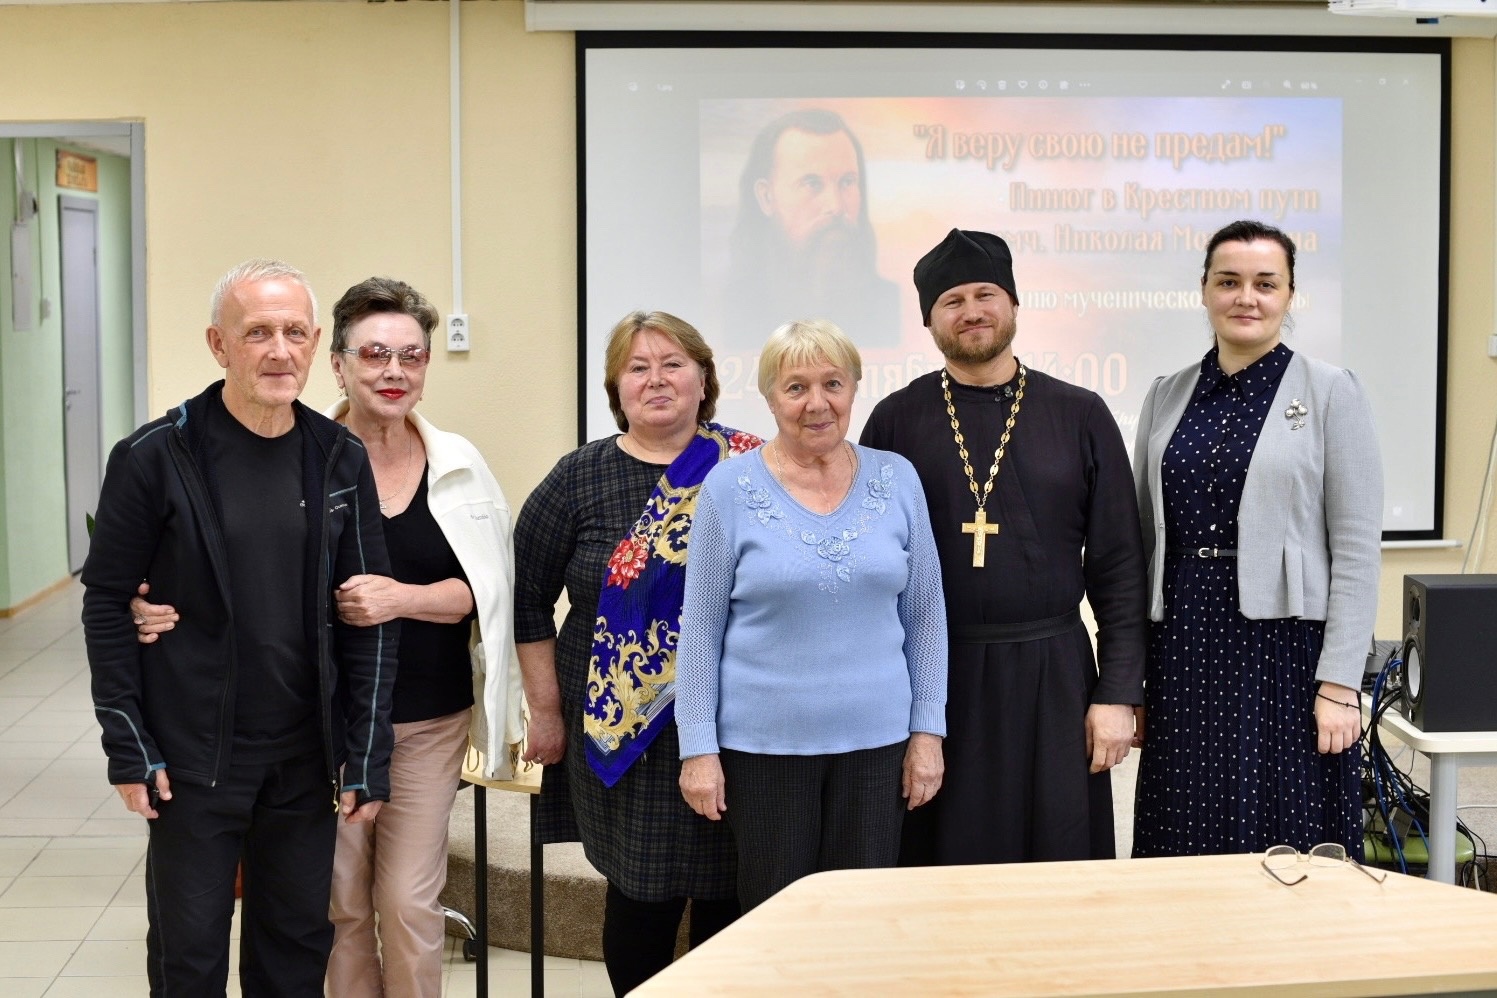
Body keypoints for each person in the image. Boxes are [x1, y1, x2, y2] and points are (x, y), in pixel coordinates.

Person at [129, 276, 524, 997]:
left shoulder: (459, 466)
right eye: (374, 354)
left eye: (411, 356)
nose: (394, 371)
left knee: (407, 902)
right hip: (323, 725)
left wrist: (401, 598)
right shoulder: (312, 452)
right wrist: (145, 602)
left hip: (426, 719)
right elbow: (235, 565)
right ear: (336, 363)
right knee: (333, 905)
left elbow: (494, 592)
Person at [81, 259, 396, 996]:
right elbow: (107, 603)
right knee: (188, 958)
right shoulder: (154, 456)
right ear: (218, 344)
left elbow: (369, 616)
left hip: (304, 759)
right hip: (192, 760)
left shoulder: (339, 457)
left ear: (316, 344)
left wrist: (366, 751)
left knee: (294, 954)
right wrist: (128, 746)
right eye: (258, 333)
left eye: (295, 333)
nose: (279, 351)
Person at [859, 228, 1148, 865]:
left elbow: (1120, 567)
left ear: (1013, 303)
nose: (972, 311)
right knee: (942, 861)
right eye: (952, 301)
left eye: (985, 294)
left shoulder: (1079, 414)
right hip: (937, 678)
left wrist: (1116, 692)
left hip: (1055, 675)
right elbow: (871, 567)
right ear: (929, 320)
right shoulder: (895, 420)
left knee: (1058, 861)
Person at [513, 311, 761, 997]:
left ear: (704, 379)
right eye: (638, 367)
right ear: (616, 388)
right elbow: (527, 597)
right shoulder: (579, 477)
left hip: (737, 717)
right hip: (623, 726)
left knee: (730, 888)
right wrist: (545, 713)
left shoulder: (754, 468)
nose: (656, 380)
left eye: (673, 364)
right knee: (641, 891)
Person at [676, 319, 947, 912]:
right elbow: (699, 630)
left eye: (833, 383)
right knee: (776, 919)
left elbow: (926, 616)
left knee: (863, 915)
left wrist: (928, 733)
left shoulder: (897, 477)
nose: (817, 403)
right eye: (796, 387)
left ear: (854, 389)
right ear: (770, 398)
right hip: (763, 751)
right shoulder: (728, 488)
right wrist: (697, 748)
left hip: (878, 747)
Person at [1131, 219, 1382, 857]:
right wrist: (1131, 678)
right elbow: (1141, 541)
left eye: (1266, 284)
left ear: (1289, 294)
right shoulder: (1165, 395)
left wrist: (1340, 684)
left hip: (1287, 654)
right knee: (1185, 819)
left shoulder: (1331, 391)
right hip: (1183, 642)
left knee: (1283, 827)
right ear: (1204, 290)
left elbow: (1357, 551)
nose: (1246, 297)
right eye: (1229, 281)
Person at [723, 108, 901, 348]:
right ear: (766, 197)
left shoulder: (888, 303)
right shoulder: (736, 309)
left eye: (847, 182)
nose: (835, 206)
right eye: (812, 183)